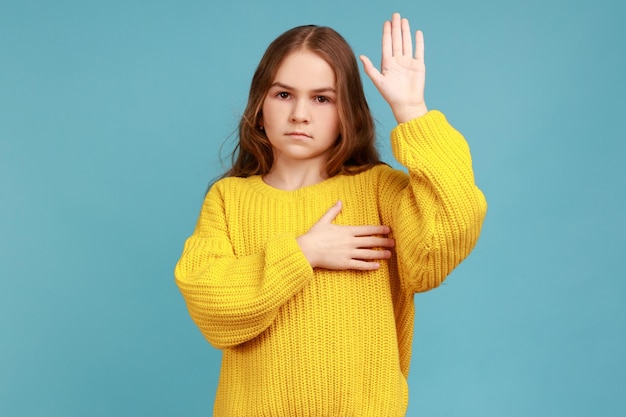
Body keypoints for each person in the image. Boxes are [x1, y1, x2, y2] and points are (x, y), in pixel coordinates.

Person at [175, 12, 487, 416]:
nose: (299, 114)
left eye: (322, 98)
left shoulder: (379, 189)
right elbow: (210, 305)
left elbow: (448, 231)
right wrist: (304, 252)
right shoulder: (228, 198)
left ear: (347, 111)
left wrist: (412, 110)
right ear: (259, 104)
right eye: (283, 94)